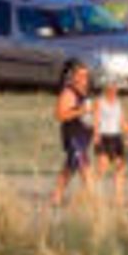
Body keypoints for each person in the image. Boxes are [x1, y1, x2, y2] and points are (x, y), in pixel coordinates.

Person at [50, 60, 94, 207]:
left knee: (70, 167)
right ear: (74, 77)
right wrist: (82, 110)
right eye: (80, 75)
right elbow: (59, 115)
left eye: (86, 76)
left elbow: (88, 113)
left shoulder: (85, 92)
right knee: (84, 168)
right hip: (73, 135)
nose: (84, 79)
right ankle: (92, 203)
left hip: (84, 135)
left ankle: (56, 196)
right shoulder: (69, 92)